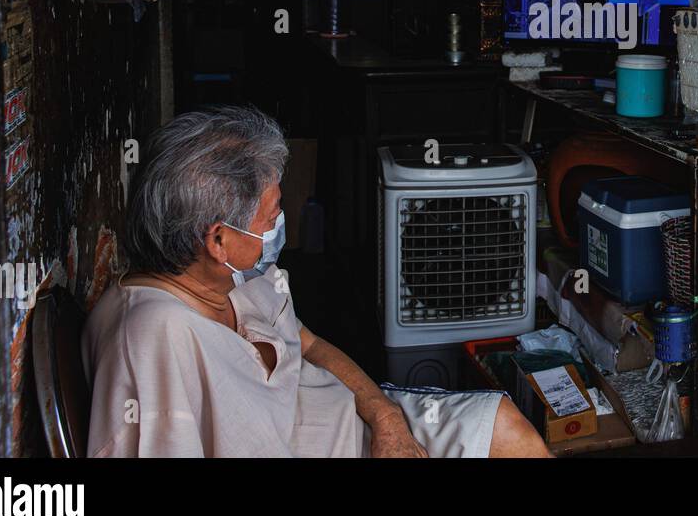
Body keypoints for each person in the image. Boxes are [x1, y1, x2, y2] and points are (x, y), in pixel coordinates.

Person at [82, 106, 550, 458]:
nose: (280, 224)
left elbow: (309, 344)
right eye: (271, 215)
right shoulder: (150, 337)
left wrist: (386, 419)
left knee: (507, 431)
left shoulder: (237, 278)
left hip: (356, 426)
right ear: (219, 240)